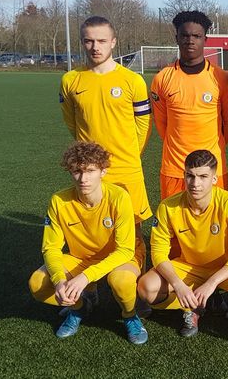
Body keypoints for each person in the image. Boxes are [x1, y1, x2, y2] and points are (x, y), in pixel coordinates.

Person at [59, 17, 153, 311]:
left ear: (113, 42)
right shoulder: (71, 80)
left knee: (132, 233)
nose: (94, 47)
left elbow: (143, 124)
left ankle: (133, 293)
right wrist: (89, 160)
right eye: (88, 41)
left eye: (101, 41)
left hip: (126, 170)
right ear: (82, 42)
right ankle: (90, 288)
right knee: (91, 231)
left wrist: (127, 155)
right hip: (91, 171)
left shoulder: (132, 81)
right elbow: (72, 123)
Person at [28, 142, 148, 344]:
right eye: (77, 171)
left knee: (122, 281)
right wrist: (59, 280)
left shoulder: (119, 197)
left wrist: (85, 277)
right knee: (37, 284)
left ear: (103, 171)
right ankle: (80, 307)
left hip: (121, 257)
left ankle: (130, 316)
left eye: (90, 171)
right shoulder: (59, 200)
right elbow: (51, 247)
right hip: (81, 257)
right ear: (70, 171)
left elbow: (125, 250)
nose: (83, 178)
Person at [137, 150, 228, 343]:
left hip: (223, 268)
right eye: (190, 176)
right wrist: (178, 285)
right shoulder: (168, 206)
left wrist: (212, 282)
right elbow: (158, 252)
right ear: (184, 175)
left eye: (203, 177)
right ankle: (192, 307)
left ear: (214, 178)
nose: (195, 184)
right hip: (188, 268)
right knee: (146, 288)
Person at [151, 10, 228, 200]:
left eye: (196, 36)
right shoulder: (162, 78)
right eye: (185, 35)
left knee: (214, 223)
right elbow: (161, 124)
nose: (190, 40)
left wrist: (214, 146)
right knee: (174, 223)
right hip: (175, 167)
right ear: (177, 38)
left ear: (205, 39)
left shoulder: (220, 77)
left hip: (213, 167)